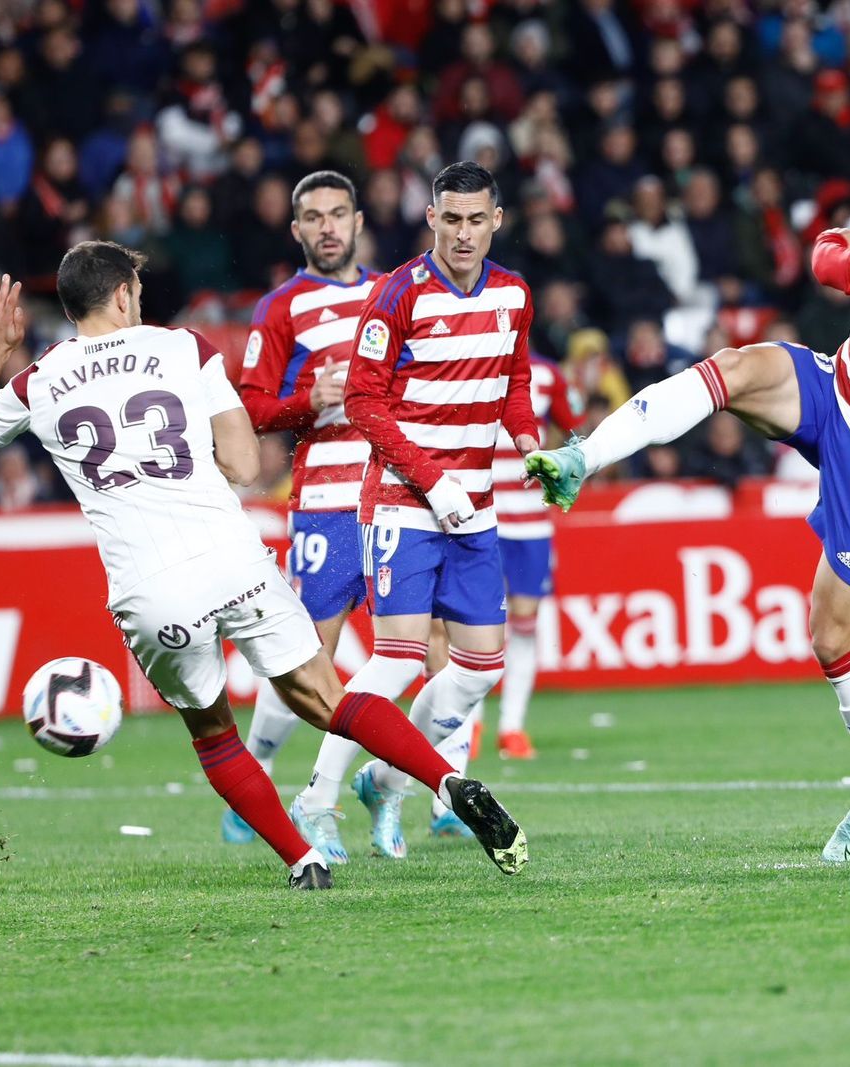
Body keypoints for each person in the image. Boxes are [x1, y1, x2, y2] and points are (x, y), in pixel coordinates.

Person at [0, 248, 527, 887]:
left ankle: (304, 862)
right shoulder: (183, 347)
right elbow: (244, 465)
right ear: (126, 295)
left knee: (214, 733)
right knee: (327, 697)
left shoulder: (39, 379)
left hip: (151, 586)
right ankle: (448, 779)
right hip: (229, 553)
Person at [527, 117, 850, 863]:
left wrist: (836, 235)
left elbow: (826, 264)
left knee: (831, 635)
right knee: (738, 368)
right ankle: (584, 457)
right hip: (843, 383)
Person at [289, 162, 540, 862]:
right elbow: (365, 401)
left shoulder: (514, 294)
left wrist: (527, 440)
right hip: (404, 500)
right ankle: (315, 798)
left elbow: (513, 379)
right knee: (397, 658)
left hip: (476, 509)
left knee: (483, 664)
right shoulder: (400, 293)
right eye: (450, 219)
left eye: (475, 220)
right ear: (430, 218)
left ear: (498, 221)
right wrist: (434, 480)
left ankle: (387, 774)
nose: (462, 234)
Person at [218, 171, 380, 848]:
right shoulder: (281, 308)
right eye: (313, 217)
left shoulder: (393, 292)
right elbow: (251, 407)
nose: (328, 227)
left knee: (426, 644)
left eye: (338, 213)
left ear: (358, 219)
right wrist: (307, 403)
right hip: (325, 503)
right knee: (310, 657)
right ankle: (256, 778)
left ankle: (370, 794)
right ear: (297, 230)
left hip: (397, 495)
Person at [484, 352, 582, 763]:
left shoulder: (546, 373)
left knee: (524, 622)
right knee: (473, 623)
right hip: (480, 516)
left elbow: (575, 430)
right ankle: (467, 724)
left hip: (529, 523)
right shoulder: (469, 359)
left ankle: (511, 727)